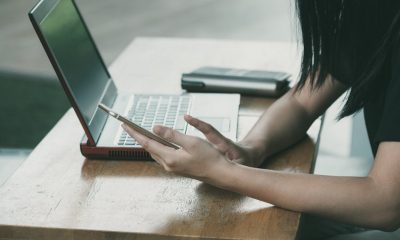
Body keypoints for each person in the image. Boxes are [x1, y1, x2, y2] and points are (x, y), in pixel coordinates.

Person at [122, 1, 400, 239]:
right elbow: (301, 102)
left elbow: (384, 202)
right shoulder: (374, 14)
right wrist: (251, 148)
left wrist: (224, 172)